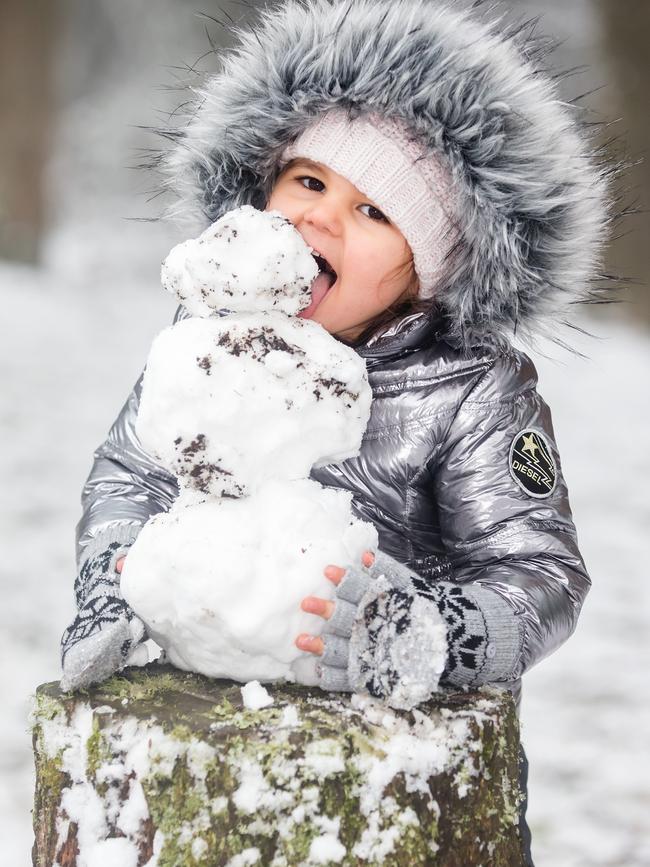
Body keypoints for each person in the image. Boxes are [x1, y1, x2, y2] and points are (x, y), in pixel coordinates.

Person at [59, 1, 625, 862]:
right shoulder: (208, 340)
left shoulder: (471, 391)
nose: (322, 219)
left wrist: (430, 630)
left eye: (374, 213)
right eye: (311, 182)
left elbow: (540, 572)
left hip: (389, 753)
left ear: (424, 269)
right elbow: (131, 471)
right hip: (209, 694)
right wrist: (113, 580)